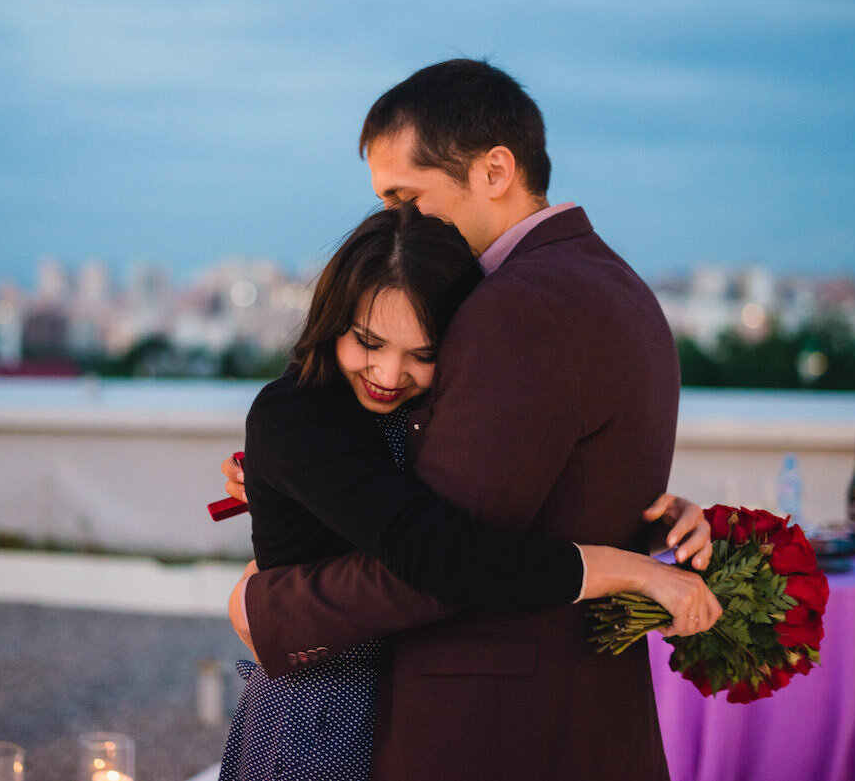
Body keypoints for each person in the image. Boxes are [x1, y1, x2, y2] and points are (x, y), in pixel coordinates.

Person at [227, 59, 715, 780]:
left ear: (494, 171)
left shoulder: (512, 309)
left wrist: (266, 604)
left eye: (407, 197)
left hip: (487, 727)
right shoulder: (620, 286)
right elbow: (564, 486)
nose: (398, 223)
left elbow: (432, 560)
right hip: (587, 713)